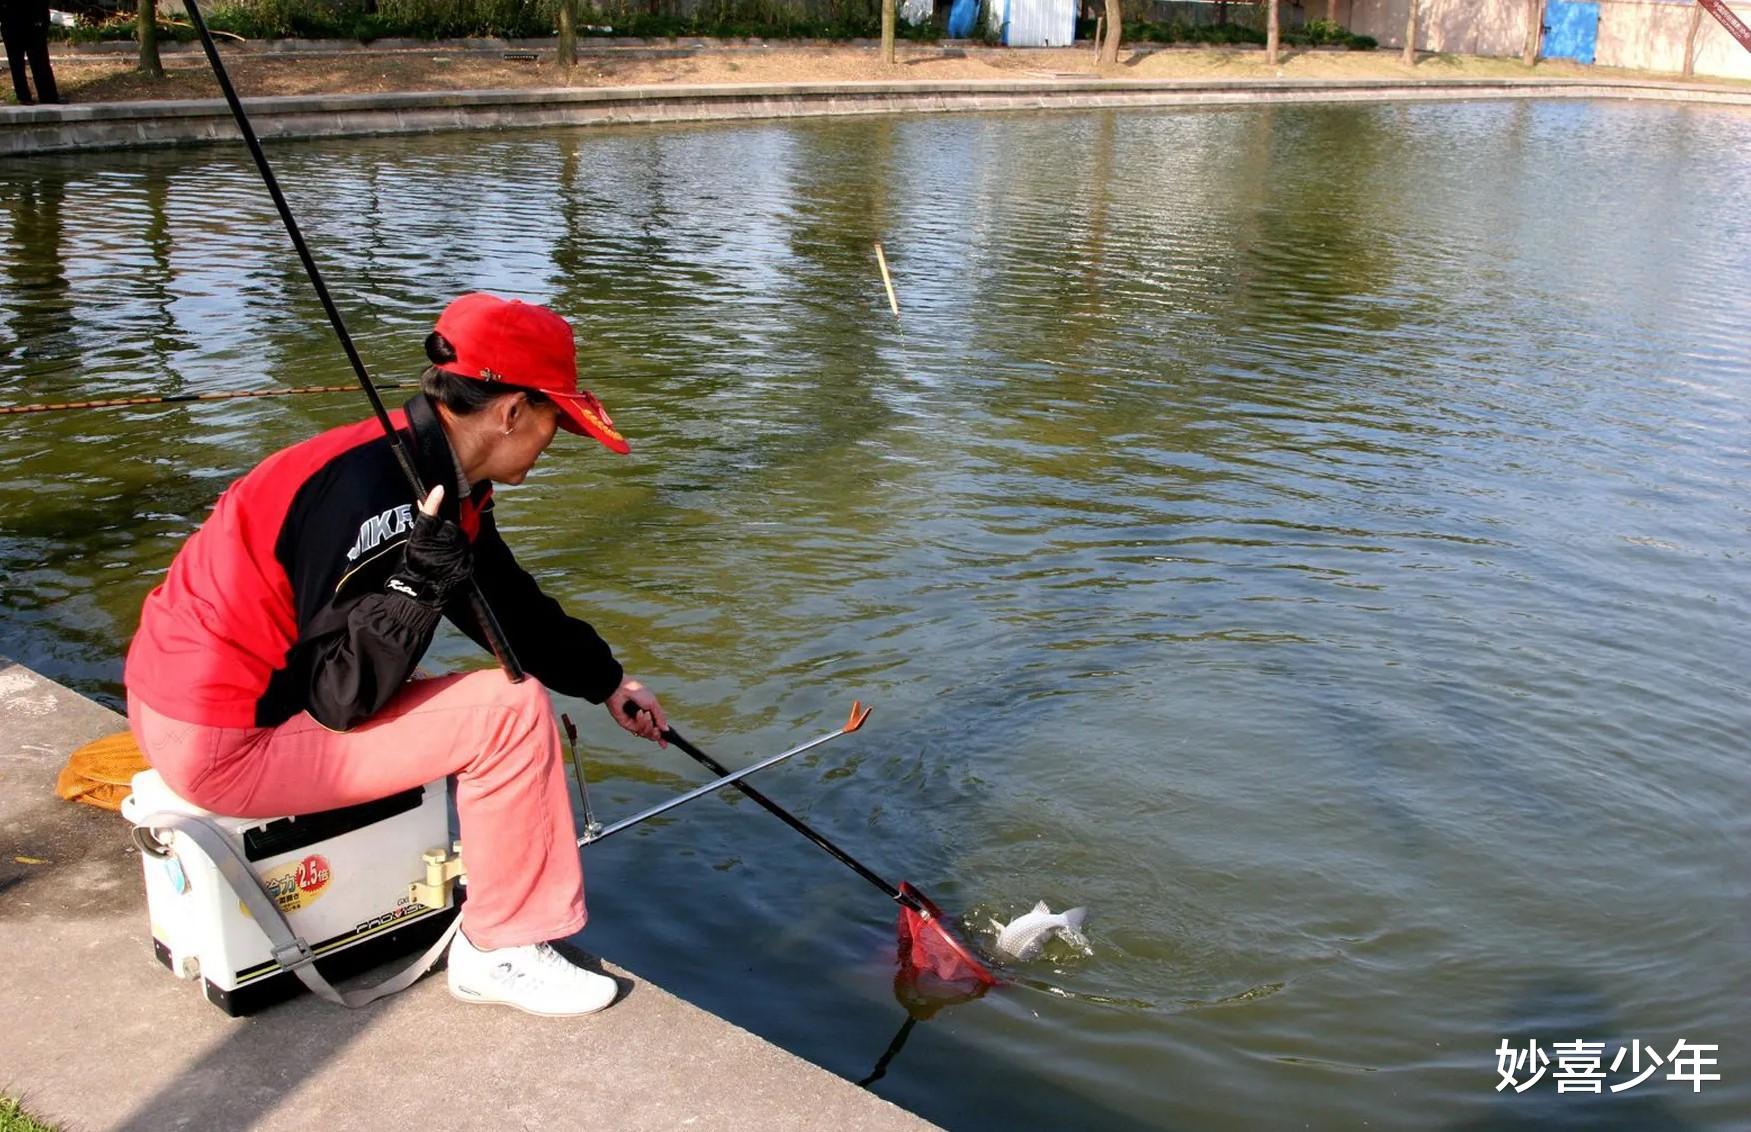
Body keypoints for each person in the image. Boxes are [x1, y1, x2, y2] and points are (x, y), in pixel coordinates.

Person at [124, 293, 669, 1017]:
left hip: (193, 703)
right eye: (555, 421)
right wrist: (417, 585)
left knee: (481, 687)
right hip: (223, 738)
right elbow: (341, 701)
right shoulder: (360, 493)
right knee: (506, 712)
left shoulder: (433, 477)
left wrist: (605, 681)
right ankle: (501, 948)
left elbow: (503, 600)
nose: (555, 439)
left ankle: (501, 926)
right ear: (508, 412)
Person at [1, 0, 59, 106]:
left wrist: (40, 18)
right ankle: (24, 96)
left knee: (39, 59)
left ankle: (48, 96)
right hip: (12, 20)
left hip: (32, 20)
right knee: (17, 62)